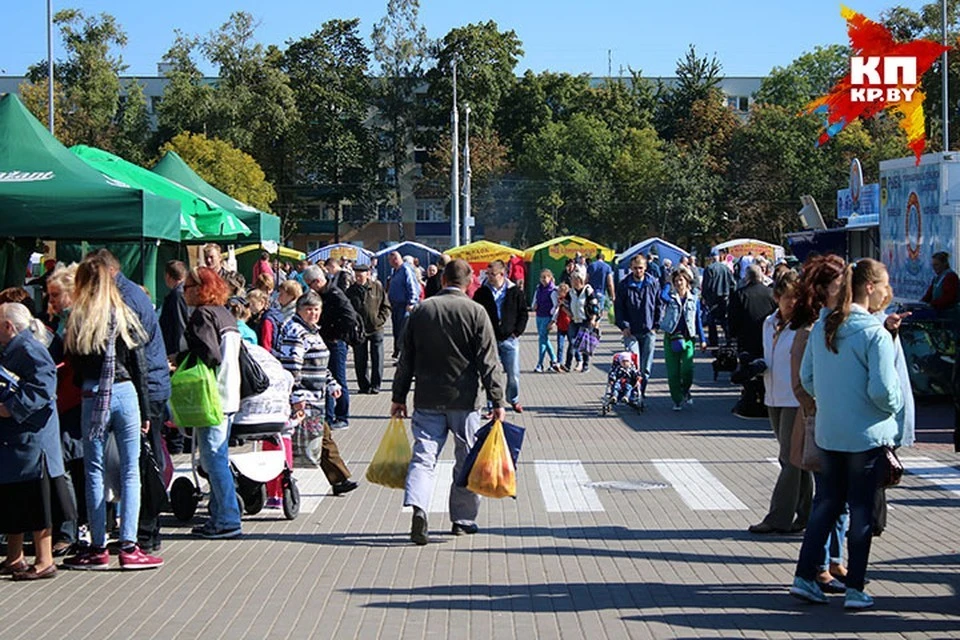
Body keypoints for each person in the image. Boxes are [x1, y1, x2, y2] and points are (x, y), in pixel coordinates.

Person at [790, 258, 904, 610]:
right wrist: (893, 407)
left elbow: (807, 379)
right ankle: (855, 586)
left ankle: (805, 576)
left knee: (825, 505)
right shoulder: (873, 334)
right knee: (861, 512)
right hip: (866, 434)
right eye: (885, 285)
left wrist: (831, 401)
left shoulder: (825, 327)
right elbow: (884, 392)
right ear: (869, 288)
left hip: (829, 432)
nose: (887, 292)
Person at [391, 259, 507, 545]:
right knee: (466, 458)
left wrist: (398, 396)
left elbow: (406, 359)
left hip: (427, 397)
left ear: (442, 280)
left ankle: (419, 508)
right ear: (469, 284)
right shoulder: (476, 312)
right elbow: (489, 362)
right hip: (465, 400)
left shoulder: (421, 310)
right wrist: (498, 399)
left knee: (423, 457)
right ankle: (462, 520)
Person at [62, 261, 162, 570]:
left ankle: (97, 546)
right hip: (126, 391)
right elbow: (139, 364)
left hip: (94, 393)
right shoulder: (124, 314)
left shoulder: (78, 318)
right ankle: (130, 546)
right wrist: (145, 409)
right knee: (130, 470)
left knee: (94, 471)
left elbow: (74, 362)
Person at [0, 303, 77, 581]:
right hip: (15, 441)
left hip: (34, 442)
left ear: (9, 326)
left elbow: (45, 387)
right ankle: (15, 556)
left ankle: (44, 560)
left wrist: (11, 408)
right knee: (14, 498)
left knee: (37, 500)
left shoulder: (30, 349)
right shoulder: (12, 348)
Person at [789, 254, 850, 593]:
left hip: (835, 423)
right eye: (841, 285)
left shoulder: (837, 321)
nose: (847, 292)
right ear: (825, 288)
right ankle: (818, 568)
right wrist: (819, 407)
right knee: (827, 498)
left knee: (838, 500)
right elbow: (800, 382)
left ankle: (835, 560)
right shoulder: (811, 328)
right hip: (820, 423)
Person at [180, 267, 244, 540]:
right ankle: (219, 516)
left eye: (187, 287)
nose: (184, 292)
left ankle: (228, 518)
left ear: (198, 289)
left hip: (211, 395)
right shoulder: (225, 313)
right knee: (217, 456)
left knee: (214, 459)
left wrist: (181, 360)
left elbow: (209, 354)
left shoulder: (203, 315)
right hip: (230, 393)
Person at [274, 291, 357, 497]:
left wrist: (331, 383)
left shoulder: (312, 331)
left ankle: (339, 479)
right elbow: (292, 367)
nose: (313, 313)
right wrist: (296, 397)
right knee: (313, 440)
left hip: (316, 397)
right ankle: (279, 483)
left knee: (323, 438)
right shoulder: (295, 331)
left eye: (317, 309)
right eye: (308, 309)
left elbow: (319, 363)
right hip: (304, 400)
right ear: (299, 310)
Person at [749, 271, 812, 534]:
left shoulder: (806, 326)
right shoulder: (768, 323)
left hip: (796, 398)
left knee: (788, 457)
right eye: (786, 298)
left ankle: (779, 517)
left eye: (796, 298)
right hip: (773, 395)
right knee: (797, 460)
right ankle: (808, 513)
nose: (791, 303)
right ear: (777, 297)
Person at [46, 264, 88, 552]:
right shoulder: (66, 320)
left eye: (55, 295)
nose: (51, 301)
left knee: (68, 465)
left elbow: (74, 366)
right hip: (71, 399)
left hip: (72, 400)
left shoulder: (76, 320)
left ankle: (69, 529)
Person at [303, 265, 358, 429]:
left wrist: (336, 335)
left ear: (317, 281)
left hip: (336, 343)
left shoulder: (335, 294)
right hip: (326, 340)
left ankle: (342, 416)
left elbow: (350, 317)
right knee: (326, 379)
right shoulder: (324, 294)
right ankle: (328, 416)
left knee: (338, 379)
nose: (310, 288)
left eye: (310, 284)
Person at [474, 260, 529, 413]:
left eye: (493, 274)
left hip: (509, 339)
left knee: (513, 373)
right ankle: (492, 405)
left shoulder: (514, 291)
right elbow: (476, 313)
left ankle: (513, 399)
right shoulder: (482, 292)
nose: (490, 277)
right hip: (489, 339)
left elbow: (523, 313)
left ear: (502, 274)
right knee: (491, 374)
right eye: (488, 274)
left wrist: (516, 332)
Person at [728, 264, 777, 418]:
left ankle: (750, 401)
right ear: (761, 276)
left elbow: (733, 319)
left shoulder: (740, 294)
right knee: (766, 369)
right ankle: (765, 400)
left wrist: (733, 334)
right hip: (767, 339)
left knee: (749, 371)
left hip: (747, 340)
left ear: (747, 278)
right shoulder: (771, 294)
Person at [614, 254, 662, 404]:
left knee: (646, 368)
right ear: (631, 268)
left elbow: (659, 305)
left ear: (645, 267)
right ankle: (634, 392)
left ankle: (641, 391)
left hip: (648, 331)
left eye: (640, 268)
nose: (638, 271)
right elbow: (619, 308)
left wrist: (656, 325)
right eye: (635, 268)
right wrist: (623, 326)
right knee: (633, 366)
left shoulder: (652, 283)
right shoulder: (624, 285)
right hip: (631, 332)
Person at [660, 269, 706, 411]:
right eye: (676, 281)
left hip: (687, 338)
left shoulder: (694, 299)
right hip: (671, 337)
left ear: (687, 282)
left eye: (681, 280)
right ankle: (677, 399)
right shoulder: (671, 298)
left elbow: (697, 319)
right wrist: (668, 282)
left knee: (687, 369)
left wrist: (702, 340)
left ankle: (685, 390)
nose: (678, 283)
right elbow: (662, 295)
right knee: (673, 372)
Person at [346, 264, 390, 394]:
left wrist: (379, 320)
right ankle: (364, 386)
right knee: (360, 358)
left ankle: (376, 385)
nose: (358, 278)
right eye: (356, 275)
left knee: (377, 357)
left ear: (368, 274)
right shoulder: (351, 291)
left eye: (361, 275)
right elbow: (347, 309)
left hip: (376, 328)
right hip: (359, 330)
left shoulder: (377, 287)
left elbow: (386, 306)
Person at [386, 251, 420, 360]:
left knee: (403, 331)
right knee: (396, 331)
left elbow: (412, 286)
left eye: (390, 260)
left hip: (404, 306)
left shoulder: (406, 269)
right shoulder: (395, 271)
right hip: (395, 306)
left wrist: (411, 302)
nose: (389, 263)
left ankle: (403, 355)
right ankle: (398, 352)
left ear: (396, 259)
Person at [566, 269, 599, 373]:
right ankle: (567, 365)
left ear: (580, 280)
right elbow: (564, 304)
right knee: (571, 342)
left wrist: (593, 318)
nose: (573, 281)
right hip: (574, 320)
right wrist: (568, 313)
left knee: (584, 344)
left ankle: (585, 365)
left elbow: (595, 306)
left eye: (574, 279)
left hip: (585, 320)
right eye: (572, 279)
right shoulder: (571, 292)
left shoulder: (588, 290)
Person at [701, 253, 736, 347]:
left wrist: (704, 296)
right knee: (724, 319)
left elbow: (706, 284)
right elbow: (733, 283)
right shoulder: (726, 268)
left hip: (713, 298)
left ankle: (713, 341)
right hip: (725, 297)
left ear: (712, 258)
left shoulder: (709, 269)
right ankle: (729, 338)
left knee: (711, 320)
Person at [531, 269, 560, 373]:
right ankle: (554, 359)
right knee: (544, 339)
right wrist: (534, 305)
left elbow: (556, 306)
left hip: (547, 317)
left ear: (550, 278)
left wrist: (553, 321)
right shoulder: (538, 288)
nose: (543, 280)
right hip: (539, 316)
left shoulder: (553, 291)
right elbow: (535, 300)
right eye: (542, 277)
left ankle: (540, 364)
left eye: (545, 277)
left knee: (542, 339)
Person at [159, 260, 189, 357]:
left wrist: (178, 354)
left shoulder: (177, 295)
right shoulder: (186, 291)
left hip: (175, 348)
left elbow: (180, 324)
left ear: (168, 276)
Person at [921, 251, 959, 318]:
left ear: (944, 264)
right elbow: (928, 295)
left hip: (947, 313)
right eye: (933, 265)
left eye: (936, 265)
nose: (934, 268)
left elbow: (949, 298)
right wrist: (920, 304)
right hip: (938, 311)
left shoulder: (950, 277)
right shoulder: (937, 278)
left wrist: (932, 304)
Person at [555, 283, 572, 371]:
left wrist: (563, 305)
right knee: (560, 345)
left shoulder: (569, 300)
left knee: (572, 344)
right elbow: (555, 311)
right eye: (559, 292)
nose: (559, 293)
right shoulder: (558, 301)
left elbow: (570, 310)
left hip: (569, 325)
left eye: (561, 292)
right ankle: (559, 362)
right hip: (560, 326)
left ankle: (578, 360)